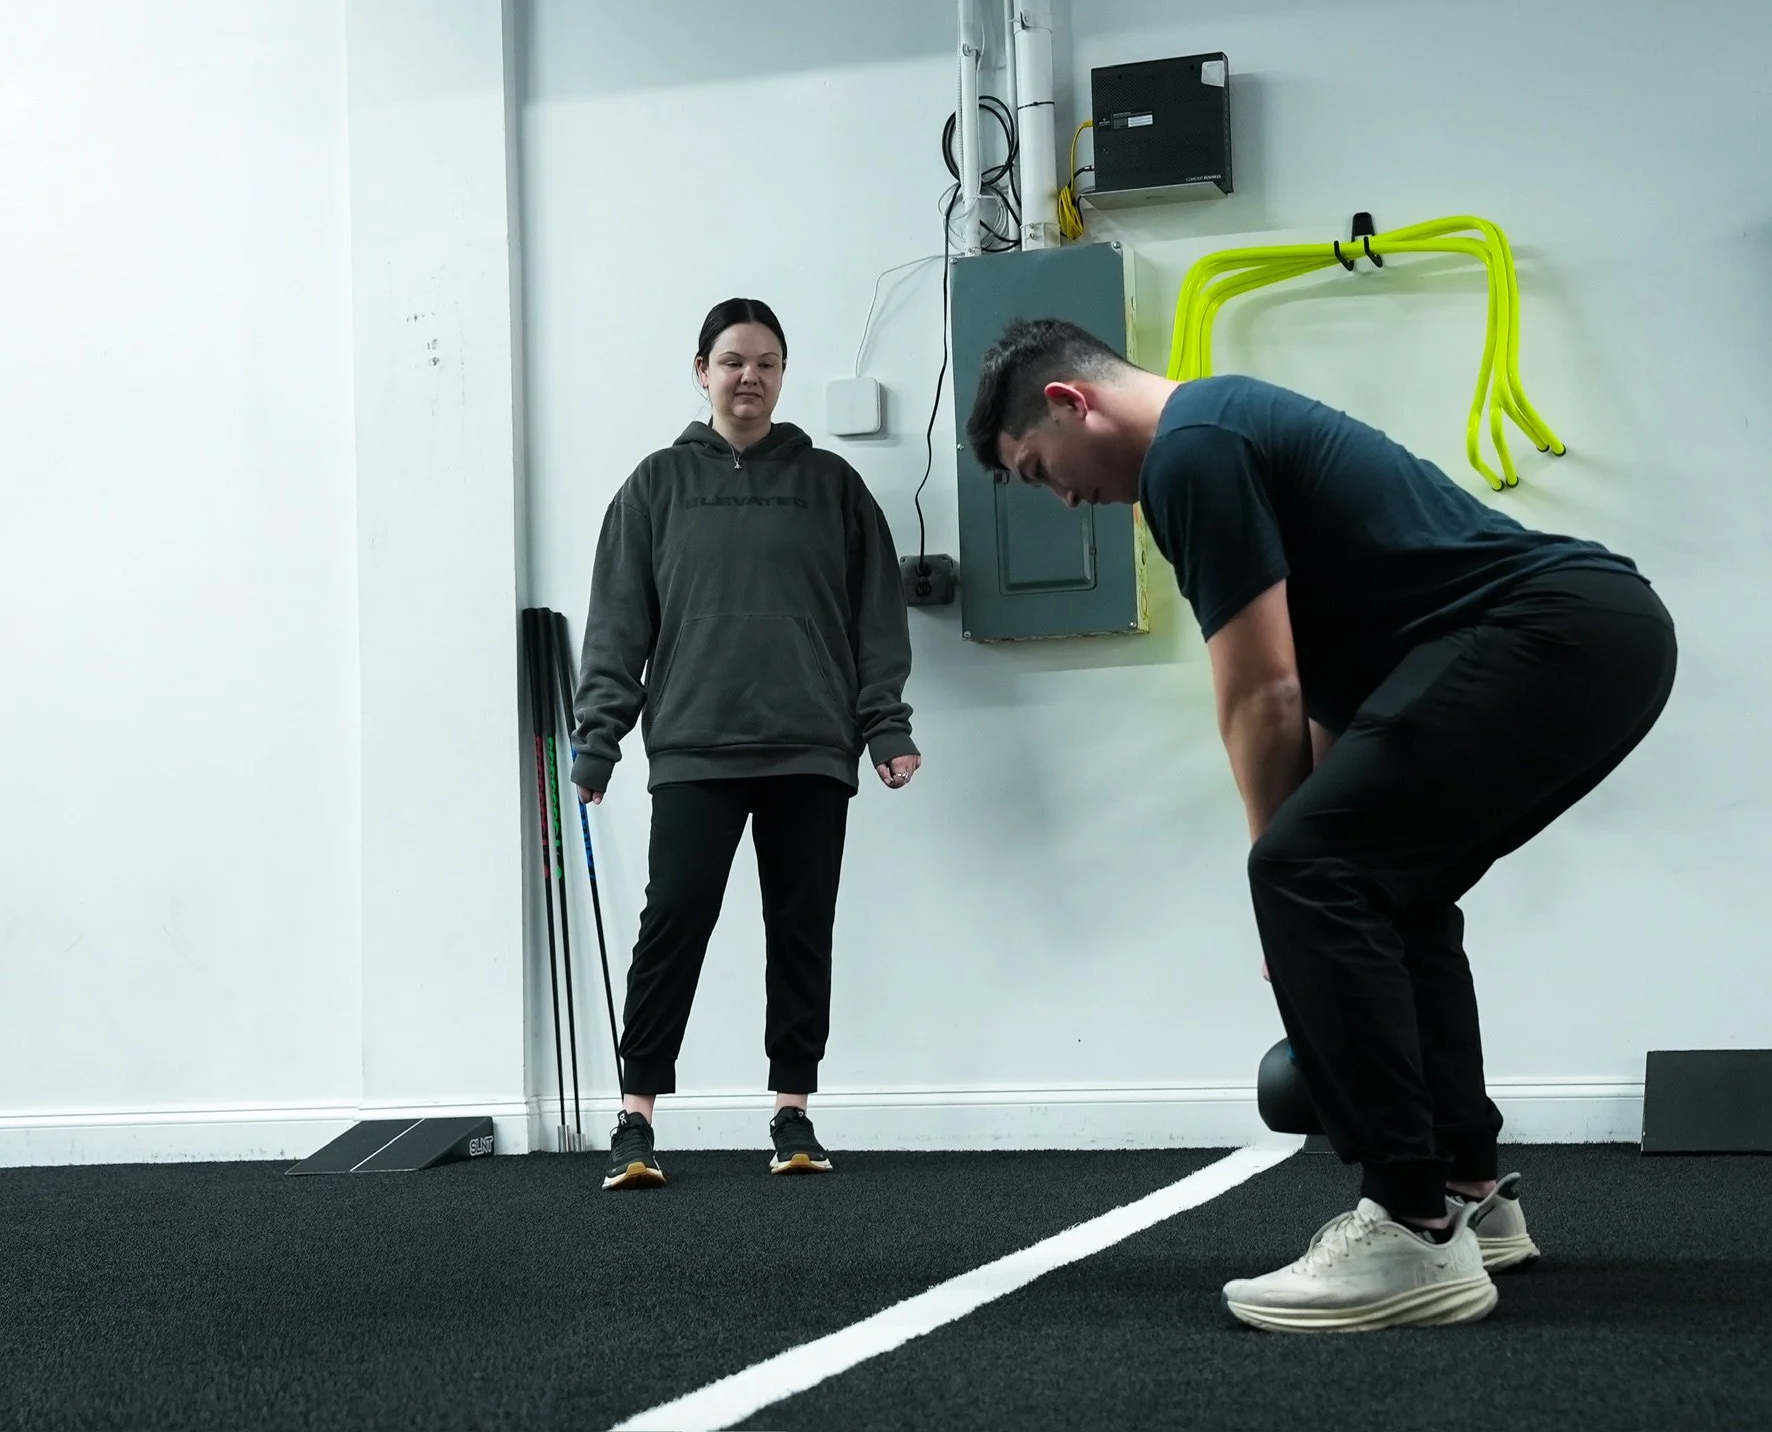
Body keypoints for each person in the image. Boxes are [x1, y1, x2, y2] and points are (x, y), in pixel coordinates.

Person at [966, 319, 1677, 1331]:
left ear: (1069, 403)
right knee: (1389, 895)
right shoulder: (1224, 433)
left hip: (1551, 631)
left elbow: (1260, 692)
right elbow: (1336, 702)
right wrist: (1317, 892)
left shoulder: (1192, 452)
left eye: (1040, 471)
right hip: (1597, 635)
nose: (1064, 499)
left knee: (1304, 867)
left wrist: (1289, 881)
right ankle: (1468, 1195)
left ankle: (1408, 1228)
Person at [572, 297, 922, 1192]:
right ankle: (636, 1119)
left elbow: (875, 617)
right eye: (732, 361)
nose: (749, 377)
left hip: (811, 746)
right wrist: (599, 738)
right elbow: (617, 622)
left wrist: (884, 723)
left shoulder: (831, 485)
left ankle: (792, 1110)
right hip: (696, 744)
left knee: (800, 929)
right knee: (674, 921)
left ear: (782, 373)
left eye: (766, 362)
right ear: (702, 372)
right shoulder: (656, 485)